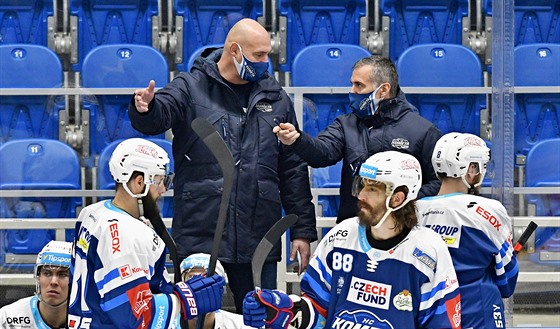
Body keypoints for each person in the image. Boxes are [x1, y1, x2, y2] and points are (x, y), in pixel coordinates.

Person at [128, 18, 317, 313]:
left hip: (258, 238)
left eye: (268, 54)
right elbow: (159, 114)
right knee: (197, 318)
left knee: (263, 317)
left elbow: (292, 168)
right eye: (259, 55)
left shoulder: (276, 98)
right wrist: (145, 108)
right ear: (234, 50)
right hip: (201, 234)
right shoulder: (190, 87)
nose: (266, 62)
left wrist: (303, 230)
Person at [243, 151, 462, 329]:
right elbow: (318, 311)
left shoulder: (427, 251)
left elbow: (443, 323)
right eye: (362, 185)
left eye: (373, 189)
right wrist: (287, 309)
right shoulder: (341, 238)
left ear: (398, 198)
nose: (361, 195)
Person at [67, 138, 226, 328]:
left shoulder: (92, 213)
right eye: (159, 180)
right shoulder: (126, 234)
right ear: (139, 182)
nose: (164, 189)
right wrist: (184, 300)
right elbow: (133, 316)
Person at [273, 55, 442, 223]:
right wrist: (298, 139)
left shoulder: (423, 131)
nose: (352, 91)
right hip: (354, 226)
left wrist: (400, 200)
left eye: (359, 85)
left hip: (402, 230)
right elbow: (322, 153)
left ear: (383, 90)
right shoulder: (346, 124)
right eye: (352, 84)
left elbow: (438, 182)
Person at [416, 132, 519, 329]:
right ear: (471, 168)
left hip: (430, 314)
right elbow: (508, 281)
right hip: (478, 313)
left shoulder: (414, 211)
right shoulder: (489, 210)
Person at [0, 240, 71, 329]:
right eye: (47, 273)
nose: (53, 282)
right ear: (38, 277)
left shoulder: (89, 320)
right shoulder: (7, 317)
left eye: (62, 274)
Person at [180, 253, 253, 329]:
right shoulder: (167, 323)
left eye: (207, 279)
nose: (200, 288)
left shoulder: (240, 325)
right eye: (191, 278)